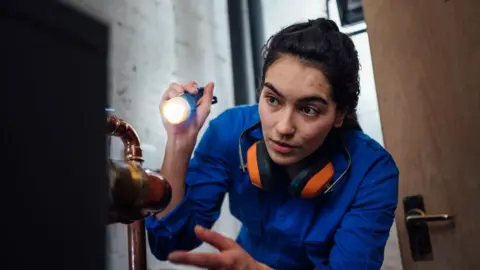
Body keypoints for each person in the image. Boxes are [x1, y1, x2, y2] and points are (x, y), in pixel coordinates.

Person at [145, 18, 399, 270]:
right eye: (273, 100)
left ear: (340, 114)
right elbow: (167, 243)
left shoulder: (373, 172)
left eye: (309, 109)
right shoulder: (230, 133)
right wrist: (179, 143)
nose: (284, 128)